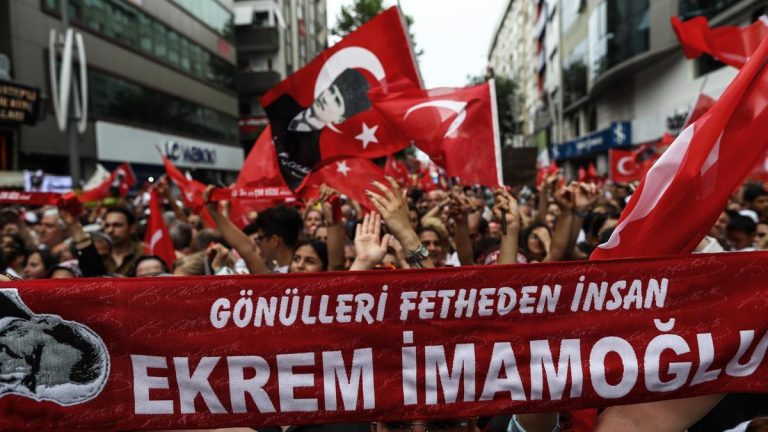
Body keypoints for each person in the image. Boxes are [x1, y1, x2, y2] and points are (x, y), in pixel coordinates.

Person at [265, 68, 372, 189]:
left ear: (340, 119)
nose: (327, 99)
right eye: (331, 90)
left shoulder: (322, 152)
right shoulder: (285, 103)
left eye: (337, 101)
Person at [102, 207, 144, 276]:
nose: (110, 230)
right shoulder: (98, 254)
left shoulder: (145, 251)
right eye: (107, 226)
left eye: (117, 225)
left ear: (132, 228)